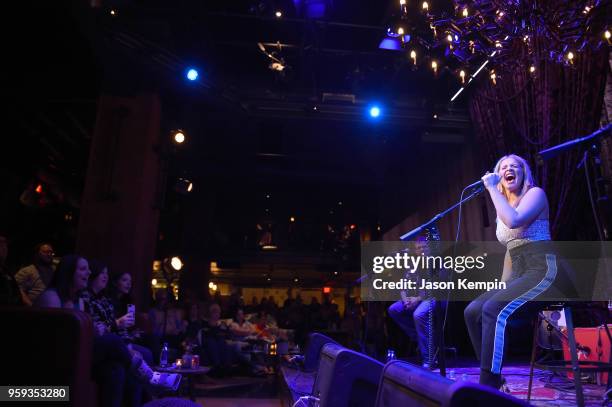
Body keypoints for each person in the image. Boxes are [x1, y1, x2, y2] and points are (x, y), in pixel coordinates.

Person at [464, 154, 563, 389]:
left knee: (492, 309)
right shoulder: (503, 205)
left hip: (541, 267)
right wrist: (501, 285)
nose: (509, 169)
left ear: (523, 172)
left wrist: (492, 189)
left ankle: (488, 385)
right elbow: (511, 248)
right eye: (503, 167)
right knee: (472, 312)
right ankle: (496, 379)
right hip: (519, 270)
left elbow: (514, 221)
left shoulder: (535, 194)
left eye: (514, 166)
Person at [36, 255, 180, 405]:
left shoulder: (77, 299)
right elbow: (59, 339)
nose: (88, 273)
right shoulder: (51, 296)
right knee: (113, 341)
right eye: (83, 269)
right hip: (63, 355)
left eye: (89, 269)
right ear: (69, 271)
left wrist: (94, 330)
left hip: (82, 351)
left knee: (115, 369)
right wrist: (95, 331)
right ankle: (151, 378)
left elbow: (85, 330)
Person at [387, 236, 438, 368]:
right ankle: (418, 337)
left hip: (430, 298)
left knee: (418, 314)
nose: (421, 250)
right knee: (394, 309)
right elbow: (403, 286)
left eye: (424, 247)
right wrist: (405, 300)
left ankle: (429, 359)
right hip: (413, 298)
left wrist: (417, 299)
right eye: (418, 248)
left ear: (429, 248)